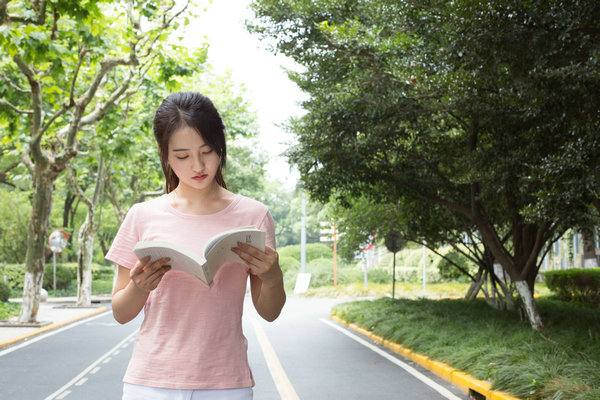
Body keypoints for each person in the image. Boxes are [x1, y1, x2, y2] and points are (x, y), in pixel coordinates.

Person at [106, 91, 286, 400]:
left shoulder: (253, 216)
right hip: (151, 382)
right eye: (183, 156)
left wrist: (272, 276)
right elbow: (121, 313)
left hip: (226, 382)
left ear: (220, 146)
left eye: (207, 151)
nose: (198, 165)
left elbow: (269, 312)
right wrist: (139, 287)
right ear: (165, 154)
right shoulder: (142, 216)